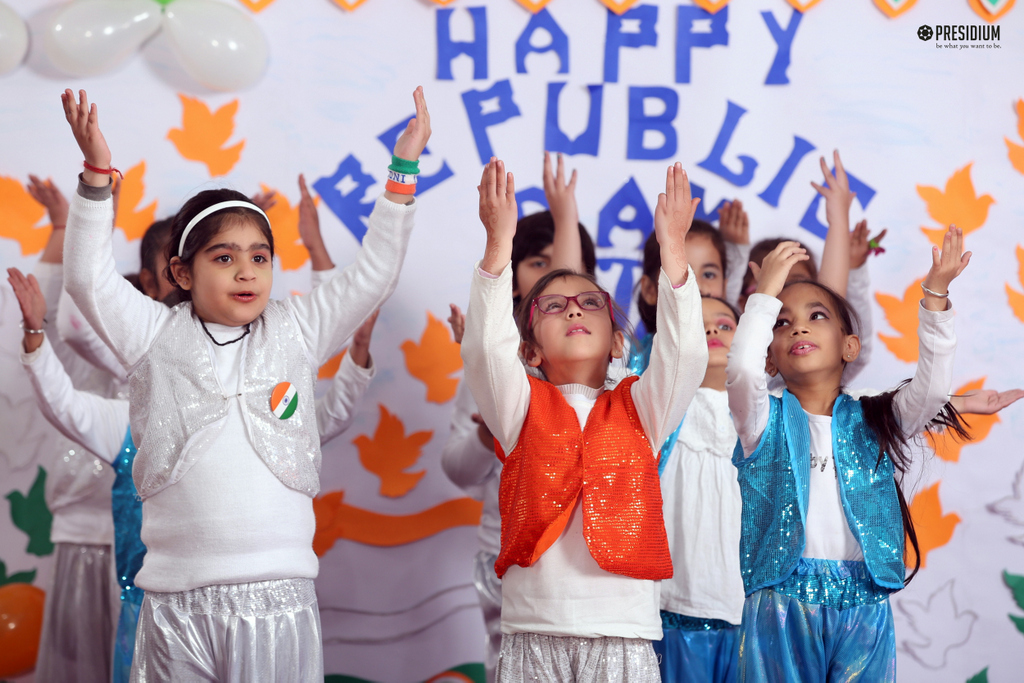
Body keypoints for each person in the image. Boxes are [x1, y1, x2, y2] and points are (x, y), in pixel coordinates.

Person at [59, 86, 429, 680]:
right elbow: (85, 278)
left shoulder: (299, 329)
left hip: (277, 600)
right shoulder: (153, 334)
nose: (247, 272)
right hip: (174, 602)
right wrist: (97, 176)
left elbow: (376, 271)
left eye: (260, 257)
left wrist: (404, 168)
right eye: (225, 258)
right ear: (182, 271)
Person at [462, 158, 707, 681]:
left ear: (619, 341)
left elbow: (686, 353)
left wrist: (675, 251)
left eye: (590, 302)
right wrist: (497, 244)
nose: (573, 309)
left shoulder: (643, 406)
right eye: (552, 306)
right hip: (533, 629)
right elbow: (485, 347)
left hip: (623, 629)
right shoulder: (519, 406)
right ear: (529, 351)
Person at [725, 229, 970, 681]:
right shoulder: (759, 420)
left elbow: (933, 389)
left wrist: (935, 296)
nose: (797, 326)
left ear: (849, 346)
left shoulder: (877, 418)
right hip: (781, 599)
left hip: (865, 600)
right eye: (782, 321)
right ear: (770, 359)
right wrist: (763, 297)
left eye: (816, 316)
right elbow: (739, 369)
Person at [441, 152, 594, 683]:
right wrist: (489, 429)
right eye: (536, 262)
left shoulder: (604, 372)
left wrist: (566, 214)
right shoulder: (497, 366)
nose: (555, 284)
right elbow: (458, 470)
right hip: (505, 554)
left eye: (576, 292)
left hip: (585, 558)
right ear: (511, 279)